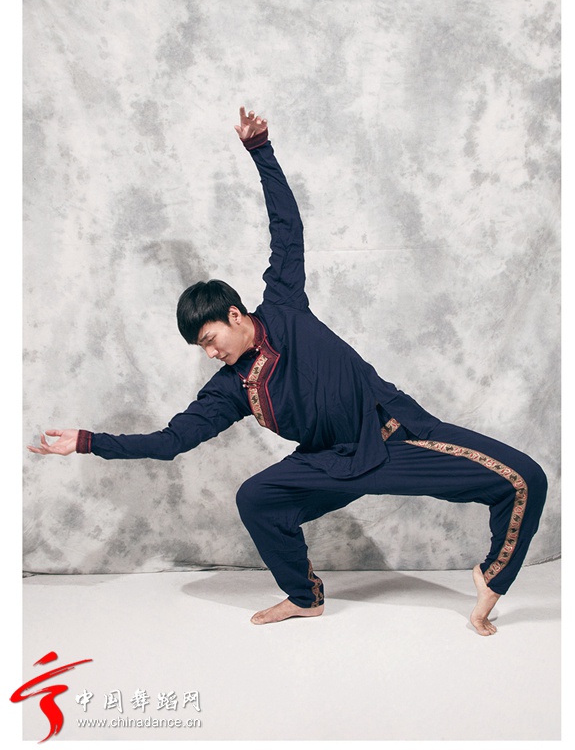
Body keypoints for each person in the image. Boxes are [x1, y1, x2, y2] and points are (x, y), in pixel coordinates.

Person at [28, 106, 548, 635]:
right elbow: (171, 442)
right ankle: (304, 596)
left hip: (393, 437)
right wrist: (88, 442)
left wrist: (260, 150)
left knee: (524, 479)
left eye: (209, 340)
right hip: (329, 464)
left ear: (235, 316)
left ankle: (491, 579)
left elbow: (287, 228)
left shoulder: (283, 306)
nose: (210, 354)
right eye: (201, 349)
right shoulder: (230, 389)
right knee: (257, 498)